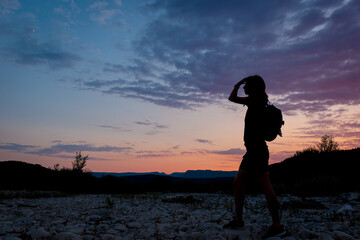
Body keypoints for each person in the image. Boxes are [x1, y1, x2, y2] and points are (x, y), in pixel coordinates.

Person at [223, 75, 285, 239]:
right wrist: (244, 81)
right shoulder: (257, 101)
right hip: (252, 151)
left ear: (253, 88)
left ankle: (277, 226)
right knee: (238, 183)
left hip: (257, 151)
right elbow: (233, 98)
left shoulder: (254, 101)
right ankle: (238, 220)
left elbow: (231, 98)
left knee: (266, 186)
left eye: (246, 86)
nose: (244, 88)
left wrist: (238, 82)